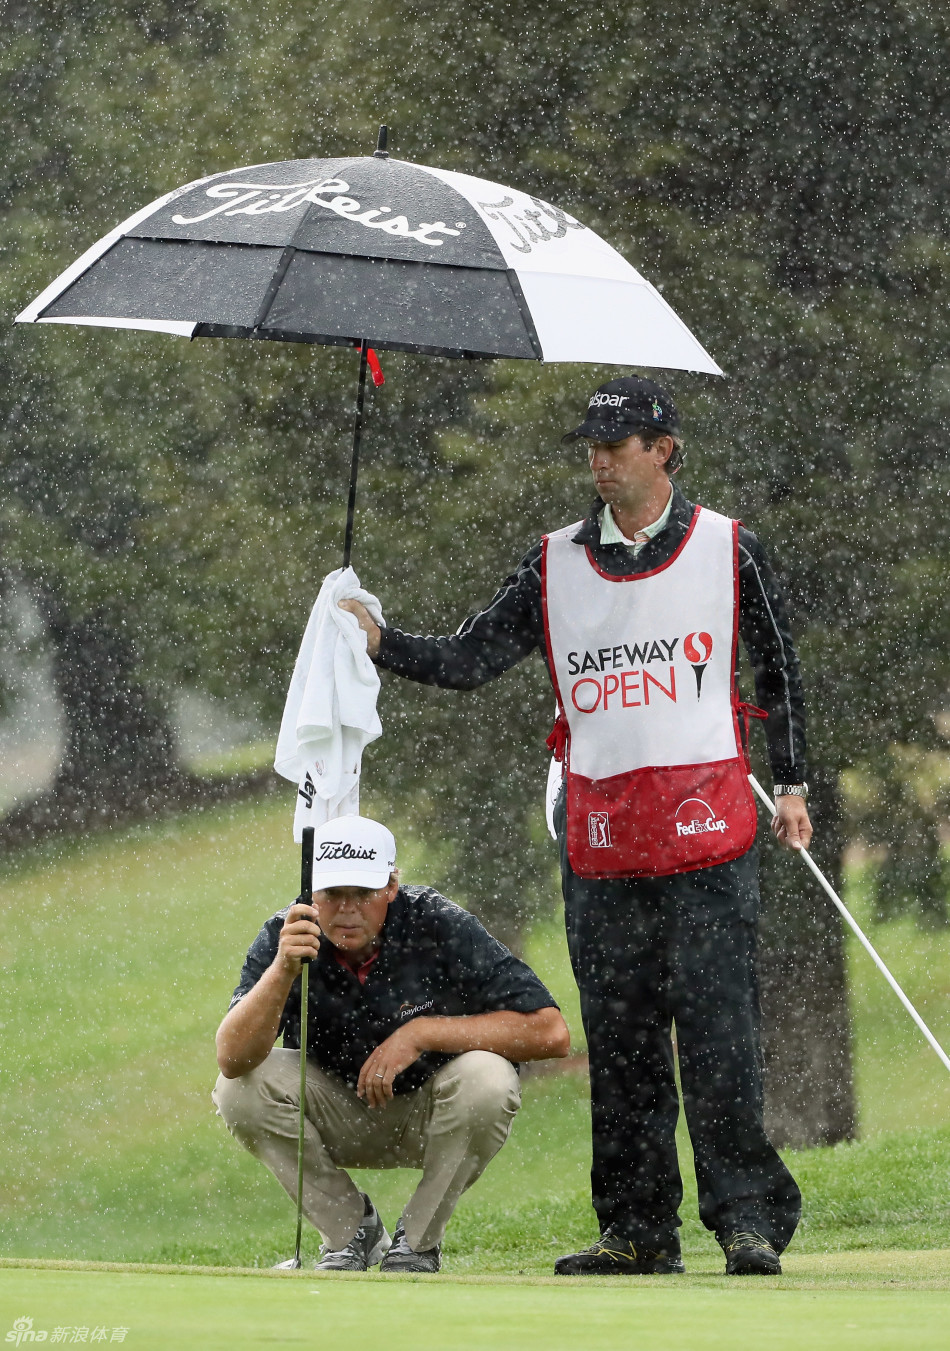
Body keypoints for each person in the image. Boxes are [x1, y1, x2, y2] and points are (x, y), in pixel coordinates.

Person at [340, 374, 812, 1277]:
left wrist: (790, 781)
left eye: (616, 444)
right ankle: (637, 1229)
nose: (599, 460)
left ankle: (748, 1219)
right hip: (603, 843)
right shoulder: (552, 561)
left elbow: (777, 666)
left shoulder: (729, 547)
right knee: (623, 1044)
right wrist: (381, 642)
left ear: (663, 450)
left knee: (719, 1037)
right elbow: (473, 656)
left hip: (708, 837)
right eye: (592, 446)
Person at [214, 814, 569, 1273]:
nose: (346, 909)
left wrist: (422, 1033)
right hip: (335, 1113)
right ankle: (350, 1233)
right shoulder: (286, 934)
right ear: (312, 893)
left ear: (391, 886)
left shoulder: (437, 922)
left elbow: (550, 1032)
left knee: (490, 1076)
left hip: (434, 1112)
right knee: (238, 1088)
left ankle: (417, 1244)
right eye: (332, 893)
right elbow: (232, 1058)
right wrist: (283, 969)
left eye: (363, 893)